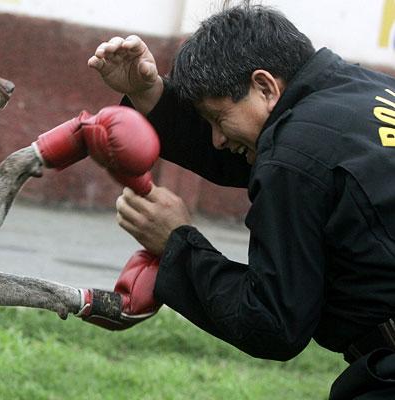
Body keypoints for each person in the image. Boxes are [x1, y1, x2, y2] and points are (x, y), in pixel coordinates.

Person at [86, 4, 395, 399]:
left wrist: (178, 242)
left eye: (218, 118)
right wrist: (150, 94)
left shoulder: (294, 155)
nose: (216, 138)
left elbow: (272, 322)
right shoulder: (362, 91)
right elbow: (258, 152)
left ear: (265, 86)